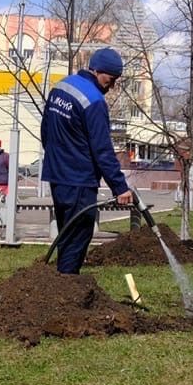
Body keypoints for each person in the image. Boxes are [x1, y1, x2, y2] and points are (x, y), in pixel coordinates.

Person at [39, 48, 134, 274]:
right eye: (110, 80)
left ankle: (61, 282)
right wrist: (120, 187)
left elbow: (45, 131)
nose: (111, 87)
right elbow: (102, 150)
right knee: (78, 236)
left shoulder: (60, 87)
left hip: (57, 176)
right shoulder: (94, 101)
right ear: (98, 71)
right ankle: (67, 290)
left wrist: (58, 157)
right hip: (79, 181)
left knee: (66, 233)